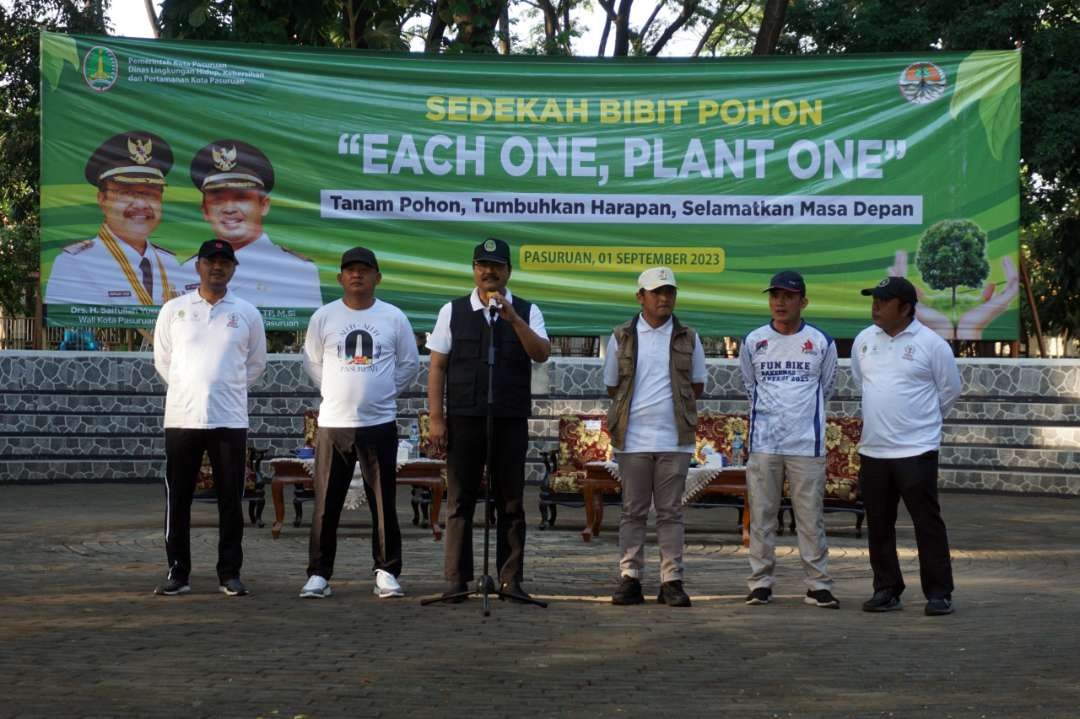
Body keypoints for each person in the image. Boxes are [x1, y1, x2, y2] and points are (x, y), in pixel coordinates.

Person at [426, 238, 550, 602]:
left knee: (510, 500)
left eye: (496, 266)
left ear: (509, 272)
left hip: (509, 417)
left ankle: (511, 579)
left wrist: (513, 319)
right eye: (482, 265)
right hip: (464, 417)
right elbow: (437, 366)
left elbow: (541, 353)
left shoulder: (527, 310)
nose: (489, 271)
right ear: (474, 270)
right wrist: (436, 418)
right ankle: (457, 579)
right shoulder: (452, 310)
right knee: (460, 499)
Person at [298, 247, 420, 599]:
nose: (357, 275)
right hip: (333, 424)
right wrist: (337, 390)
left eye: (364, 270)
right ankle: (319, 575)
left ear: (377, 277)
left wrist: (381, 392)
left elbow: (409, 364)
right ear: (340, 278)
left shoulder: (393, 317)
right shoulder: (324, 317)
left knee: (383, 501)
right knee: (325, 504)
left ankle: (386, 571)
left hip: (379, 423)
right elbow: (312, 362)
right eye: (350, 270)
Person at [152, 239, 267, 597]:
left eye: (224, 262)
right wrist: (193, 388)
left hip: (229, 419)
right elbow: (164, 363)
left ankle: (229, 573)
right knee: (179, 499)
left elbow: (256, 365)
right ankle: (178, 572)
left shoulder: (247, 312)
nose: (217, 267)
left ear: (233, 268)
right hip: (182, 418)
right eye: (210, 261)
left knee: (231, 499)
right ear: (198, 266)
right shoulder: (174, 310)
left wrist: (222, 387)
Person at [851, 276, 962, 616]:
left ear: (906, 308)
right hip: (874, 450)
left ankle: (939, 593)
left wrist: (921, 425)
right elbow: (862, 382)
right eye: (874, 300)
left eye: (883, 302)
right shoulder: (863, 340)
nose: (876, 307)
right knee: (879, 523)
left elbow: (950, 391)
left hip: (917, 450)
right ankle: (886, 589)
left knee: (926, 523)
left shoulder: (932, 344)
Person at [604, 267, 706, 608]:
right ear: (640, 297)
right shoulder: (620, 336)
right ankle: (630, 579)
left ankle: (671, 581)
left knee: (671, 513)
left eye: (669, 292)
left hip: (674, 439)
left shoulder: (689, 337)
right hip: (632, 439)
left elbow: (697, 385)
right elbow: (612, 385)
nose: (664, 298)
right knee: (632, 511)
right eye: (656, 292)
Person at [739, 271, 839, 609]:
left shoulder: (822, 341)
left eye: (788, 296)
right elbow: (750, 388)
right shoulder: (753, 341)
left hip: (806, 446)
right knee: (762, 517)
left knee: (811, 519)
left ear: (803, 301)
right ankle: (760, 584)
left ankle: (818, 585)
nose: (779, 302)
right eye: (774, 295)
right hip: (764, 445)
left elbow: (825, 390)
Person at [45, 131, 185, 306]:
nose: (141, 204)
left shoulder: (170, 262)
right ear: (102, 199)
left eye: (151, 193)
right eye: (126, 193)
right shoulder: (73, 263)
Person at [186, 140, 322, 307]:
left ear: (264, 205)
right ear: (205, 210)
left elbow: (307, 330)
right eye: (218, 200)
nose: (229, 209)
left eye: (241, 198)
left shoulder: (298, 270)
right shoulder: (184, 270)